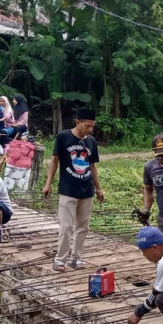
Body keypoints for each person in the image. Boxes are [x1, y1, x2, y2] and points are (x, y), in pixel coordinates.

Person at [42, 107, 104, 272]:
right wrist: (48, 183)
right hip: (68, 189)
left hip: (86, 190)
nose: (89, 130)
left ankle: (76, 258)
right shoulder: (63, 137)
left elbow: (92, 166)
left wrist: (98, 188)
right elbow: (55, 160)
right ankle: (60, 260)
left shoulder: (90, 141)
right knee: (66, 226)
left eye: (92, 126)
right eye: (87, 126)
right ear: (78, 122)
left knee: (83, 227)